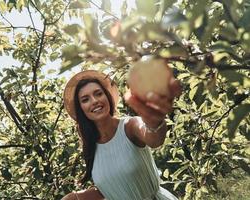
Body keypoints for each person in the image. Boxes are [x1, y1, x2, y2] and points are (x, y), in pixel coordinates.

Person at [62, 69, 181, 200]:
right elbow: (111, 186)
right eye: (85, 99)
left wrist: (155, 118)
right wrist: (74, 197)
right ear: (81, 110)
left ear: (107, 96)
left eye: (98, 94)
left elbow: (155, 139)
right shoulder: (91, 146)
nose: (94, 101)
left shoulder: (130, 126)